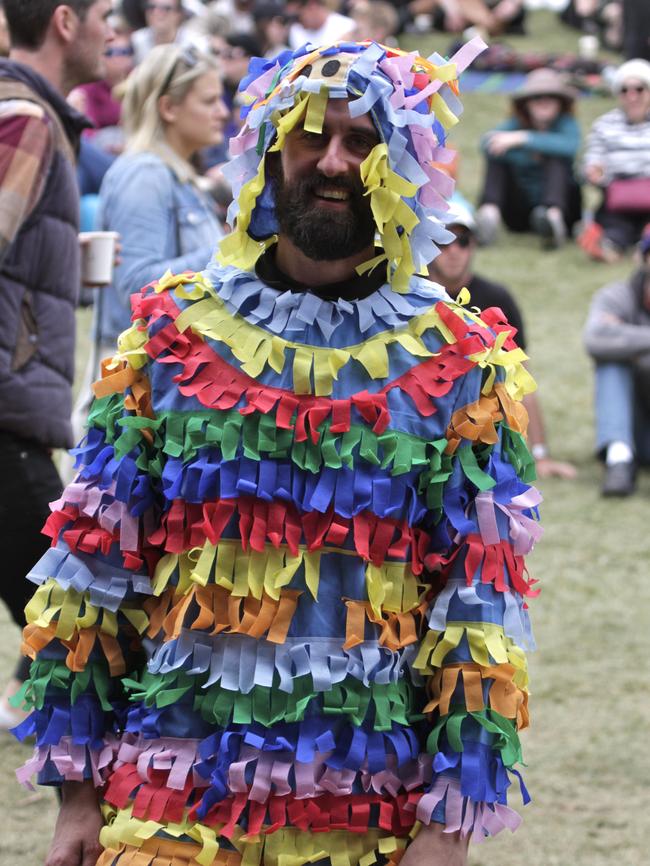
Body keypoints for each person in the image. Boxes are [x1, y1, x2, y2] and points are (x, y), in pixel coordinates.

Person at [14, 40, 542, 866]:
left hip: (368, 820)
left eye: (361, 141)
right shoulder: (172, 338)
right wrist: (75, 803)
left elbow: (480, 612)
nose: (333, 162)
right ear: (269, 149)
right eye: (309, 136)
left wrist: (447, 832)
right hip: (168, 809)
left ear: (402, 163)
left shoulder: (464, 362)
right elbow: (89, 581)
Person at [0, 0, 113, 730]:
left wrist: (60, 264)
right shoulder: (27, 120)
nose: (115, 30)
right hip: (4, 408)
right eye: (105, 13)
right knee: (72, 616)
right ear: (66, 21)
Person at [429, 198, 577, 479]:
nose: (453, 251)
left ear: (473, 245)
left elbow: (521, 379)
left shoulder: (497, 298)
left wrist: (540, 455)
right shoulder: (411, 300)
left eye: (462, 240)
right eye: (444, 240)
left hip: (482, 429)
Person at [476, 67, 582, 249]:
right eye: (537, 97)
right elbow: (487, 143)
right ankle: (489, 213)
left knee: (556, 159)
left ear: (560, 102)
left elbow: (570, 146)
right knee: (497, 154)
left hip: (565, 210)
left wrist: (523, 139)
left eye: (550, 97)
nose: (544, 102)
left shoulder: (566, 124)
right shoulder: (516, 124)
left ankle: (552, 218)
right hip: (520, 211)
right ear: (527, 103)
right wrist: (523, 151)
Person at [583, 234, 650, 495]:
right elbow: (595, 339)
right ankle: (618, 459)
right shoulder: (616, 296)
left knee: (619, 354)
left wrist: (630, 344)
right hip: (636, 431)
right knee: (611, 364)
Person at [580, 58, 650, 262]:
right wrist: (594, 171)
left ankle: (643, 245)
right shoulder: (604, 125)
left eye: (639, 89)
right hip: (617, 198)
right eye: (624, 90)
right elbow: (592, 160)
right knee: (615, 224)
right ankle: (610, 246)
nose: (632, 96)